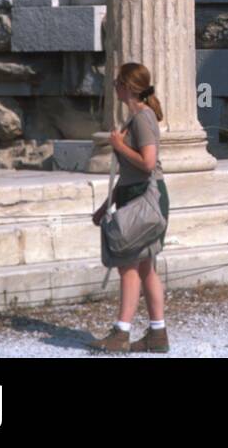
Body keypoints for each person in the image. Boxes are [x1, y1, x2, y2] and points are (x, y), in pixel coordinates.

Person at [90, 62, 171, 352]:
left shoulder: (142, 118)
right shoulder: (135, 117)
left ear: (128, 86)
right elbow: (127, 173)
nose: (114, 86)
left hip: (145, 197)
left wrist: (118, 145)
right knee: (146, 267)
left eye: (117, 82)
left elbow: (148, 163)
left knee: (129, 267)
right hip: (134, 194)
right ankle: (157, 334)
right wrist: (105, 206)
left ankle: (121, 333)